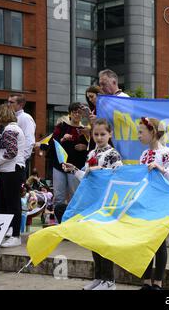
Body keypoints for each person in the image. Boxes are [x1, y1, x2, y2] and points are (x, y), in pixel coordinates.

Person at [62, 119, 122, 290]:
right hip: (92, 203)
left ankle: (109, 281)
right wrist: (74, 169)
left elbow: (118, 178)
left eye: (103, 134)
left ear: (110, 134)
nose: (99, 137)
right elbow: (87, 179)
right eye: (96, 134)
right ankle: (99, 278)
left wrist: (101, 171)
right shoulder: (91, 154)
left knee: (104, 242)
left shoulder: (113, 154)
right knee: (94, 241)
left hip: (106, 204)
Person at [138, 117, 169, 290]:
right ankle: (146, 282)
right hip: (145, 203)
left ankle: (158, 282)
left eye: (141, 132)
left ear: (153, 132)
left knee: (159, 243)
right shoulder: (143, 155)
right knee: (144, 242)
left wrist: (161, 169)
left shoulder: (167, 153)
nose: (138, 135)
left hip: (161, 204)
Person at [41, 103, 89, 223]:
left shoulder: (85, 130)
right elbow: (52, 143)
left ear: (83, 115)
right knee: (59, 196)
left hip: (75, 167)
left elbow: (92, 147)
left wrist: (85, 147)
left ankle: (72, 224)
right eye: (74, 112)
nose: (77, 114)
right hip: (59, 165)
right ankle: (59, 223)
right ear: (70, 113)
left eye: (79, 112)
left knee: (75, 195)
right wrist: (62, 139)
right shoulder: (61, 126)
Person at [0, 104, 26, 248]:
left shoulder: (10, 129)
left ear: (1, 115)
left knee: (12, 204)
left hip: (12, 171)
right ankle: (9, 231)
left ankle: (15, 235)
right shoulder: (9, 130)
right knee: (4, 203)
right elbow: (3, 148)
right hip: (7, 171)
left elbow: (10, 153)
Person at [8, 94, 36, 176]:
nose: (8, 104)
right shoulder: (11, 118)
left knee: (14, 188)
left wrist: (21, 160)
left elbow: (30, 140)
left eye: (11, 102)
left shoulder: (25, 118)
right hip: (8, 162)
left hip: (17, 162)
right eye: (8, 101)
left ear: (20, 105)